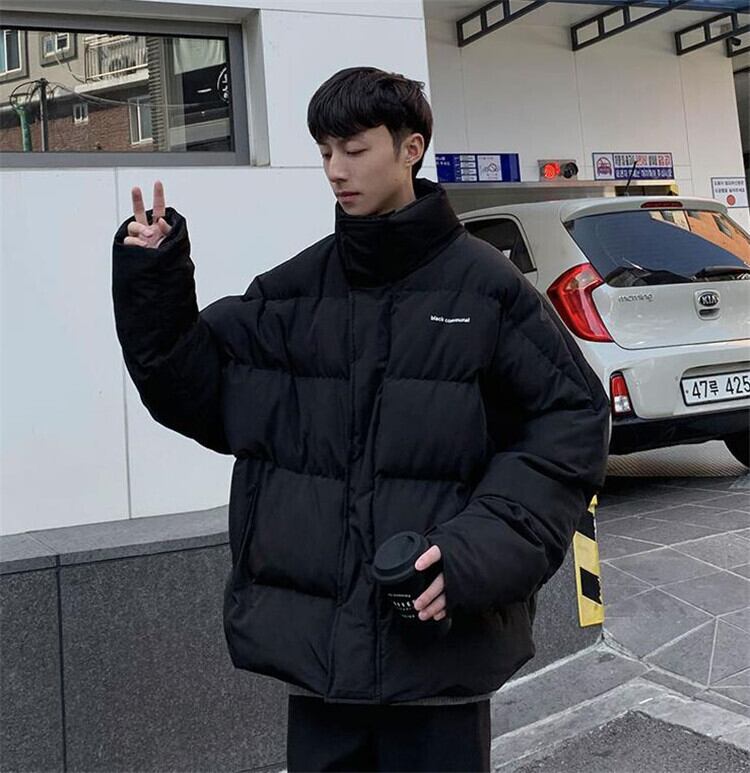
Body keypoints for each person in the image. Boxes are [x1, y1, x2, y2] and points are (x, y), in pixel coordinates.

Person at [111, 66, 610, 772]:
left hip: (439, 656)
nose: (335, 170)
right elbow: (194, 390)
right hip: (321, 663)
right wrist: (153, 279)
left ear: (411, 149)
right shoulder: (292, 294)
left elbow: (572, 422)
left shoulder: (486, 289)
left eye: (354, 148)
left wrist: (475, 553)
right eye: (324, 152)